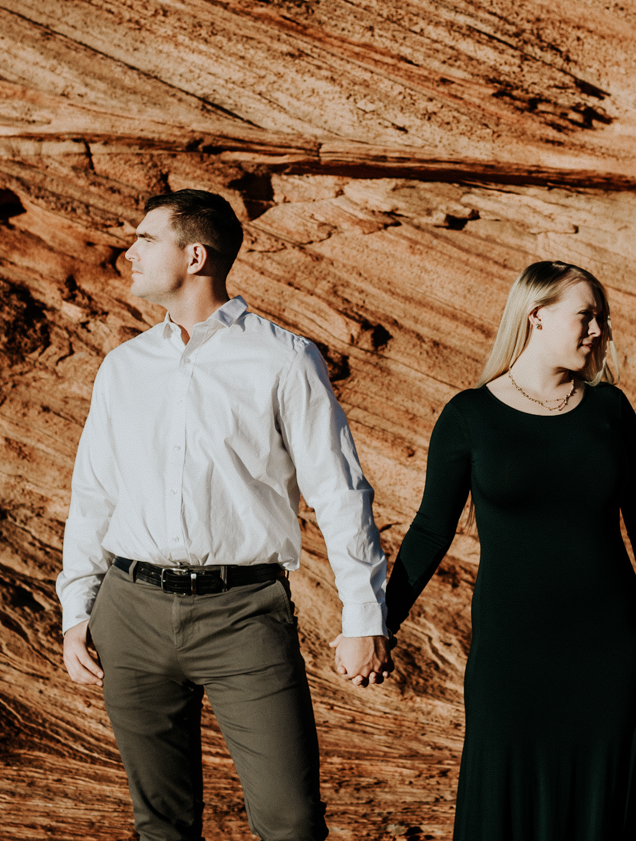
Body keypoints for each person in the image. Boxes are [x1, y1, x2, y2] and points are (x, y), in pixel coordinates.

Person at [56, 188, 391, 841]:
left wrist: (364, 616)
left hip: (245, 616)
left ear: (196, 253)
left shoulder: (284, 358)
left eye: (147, 239)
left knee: (292, 821)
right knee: (162, 823)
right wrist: (77, 608)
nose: (130, 250)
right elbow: (94, 492)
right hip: (130, 612)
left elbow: (339, 490)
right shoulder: (123, 367)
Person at [385, 260, 636, 841]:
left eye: (602, 319)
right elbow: (429, 532)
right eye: (586, 317)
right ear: (536, 316)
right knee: (507, 806)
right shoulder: (470, 416)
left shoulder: (609, 411)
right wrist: (380, 622)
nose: (599, 331)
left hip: (607, 648)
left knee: (601, 804)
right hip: (511, 652)